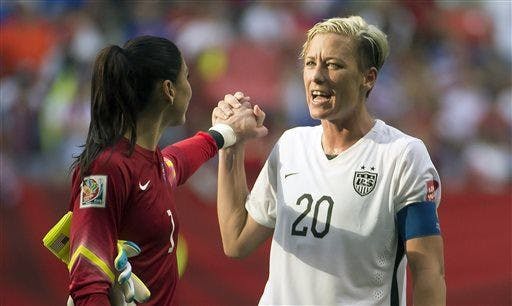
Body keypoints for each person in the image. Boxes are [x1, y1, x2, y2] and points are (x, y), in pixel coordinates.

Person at [213, 16, 446, 306]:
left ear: (368, 77)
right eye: (311, 63)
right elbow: (236, 240)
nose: (317, 75)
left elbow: (428, 273)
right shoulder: (290, 146)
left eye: (334, 65)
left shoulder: (402, 155)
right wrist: (231, 148)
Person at [66, 35, 266, 305]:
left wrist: (227, 132)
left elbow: (177, 161)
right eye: (187, 77)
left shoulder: (151, 162)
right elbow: (87, 284)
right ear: (170, 89)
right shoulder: (105, 170)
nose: (191, 88)